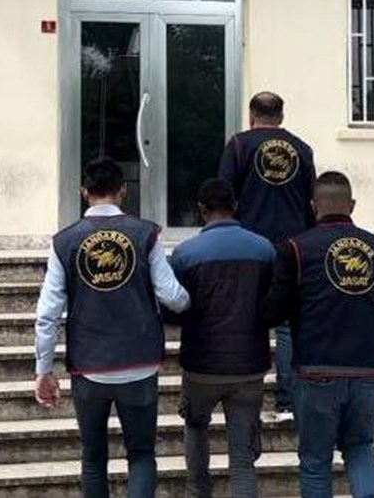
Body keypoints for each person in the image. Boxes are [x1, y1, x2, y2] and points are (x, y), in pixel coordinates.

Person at [34, 157, 190, 498]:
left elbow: (48, 314)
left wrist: (44, 370)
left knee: (92, 457)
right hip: (140, 361)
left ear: (84, 192)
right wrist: (195, 300)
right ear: (123, 191)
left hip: (88, 364)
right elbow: (172, 297)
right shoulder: (146, 234)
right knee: (142, 454)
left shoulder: (63, 242)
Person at [260, 171, 374, 498]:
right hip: (369, 366)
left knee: (315, 459)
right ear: (352, 205)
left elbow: (274, 312)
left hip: (317, 366)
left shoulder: (296, 248)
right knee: (360, 446)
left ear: (313, 206)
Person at [167, 179, 276, 498]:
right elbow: (273, 304)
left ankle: (198, 491)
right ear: (236, 206)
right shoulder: (264, 249)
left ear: (201, 210)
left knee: (195, 426)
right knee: (242, 457)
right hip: (249, 366)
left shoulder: (185, 254)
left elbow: (174, 310)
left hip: (201, 366)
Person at [219, 91, 316, 421]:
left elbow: (224, 195)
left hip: (248, 246)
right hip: (292, 247)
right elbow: (311, 202)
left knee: (248, 320)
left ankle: (246, 401)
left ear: (251, 116)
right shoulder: (302, 149)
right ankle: (286, 401)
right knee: (287, 326)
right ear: (282, 116)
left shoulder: (238, 146)